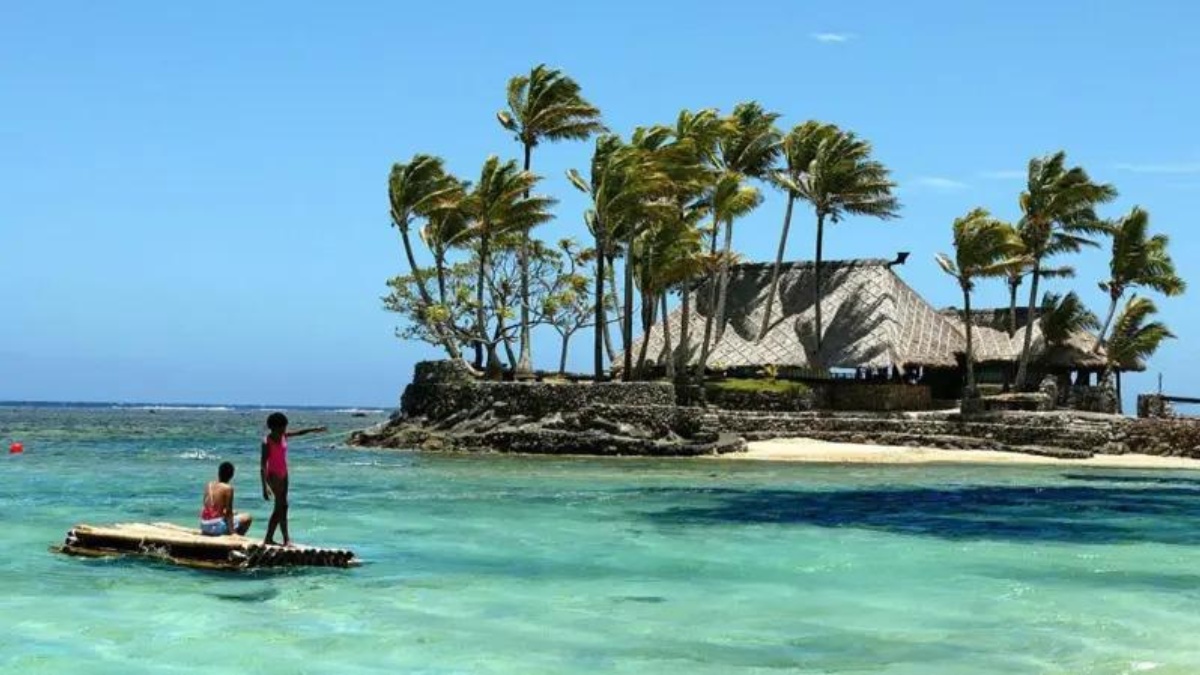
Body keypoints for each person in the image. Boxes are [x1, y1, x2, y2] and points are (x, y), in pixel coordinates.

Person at [260, 412, 327, 547]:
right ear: (273, 427)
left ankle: (272, 538)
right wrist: (264, 486)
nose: (284, 430)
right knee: (280, 507)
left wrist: (315, 429)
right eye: (282, 427)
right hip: (273, 475)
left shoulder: (284, 436)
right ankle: (284, 540)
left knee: (283, 506)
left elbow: (300, 432)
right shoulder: (267, 441)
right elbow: (262, 465)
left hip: (284, 473)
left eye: (285, 427)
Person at [200, 461, 253, 536]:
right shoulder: (228, 488)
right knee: (247, 517)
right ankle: (237, 538)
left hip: (204, 526)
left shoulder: (209, 485)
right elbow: (229, 512)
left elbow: (207, 506)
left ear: (219, 473)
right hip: (216, 528)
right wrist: (233, 532)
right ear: (231, 475)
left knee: (236, 512)